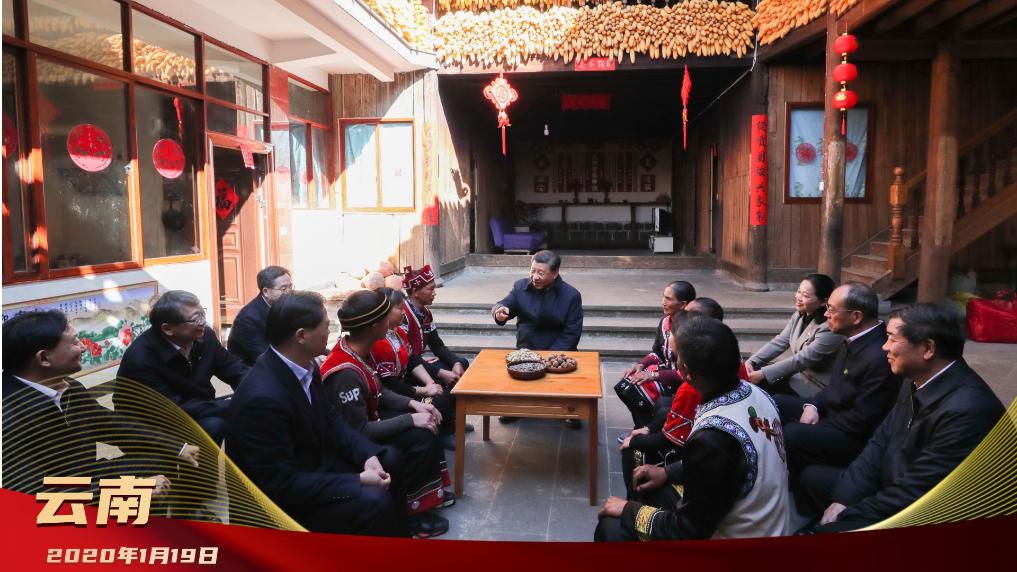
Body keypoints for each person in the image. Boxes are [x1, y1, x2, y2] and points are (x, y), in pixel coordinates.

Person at [800, 304, 1005, 532]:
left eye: (892, 338)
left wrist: (846, 515)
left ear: (928, 348)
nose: (884, 346)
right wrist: (844, 498)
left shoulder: (967, 411)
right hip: (894, 479)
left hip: (932, 514)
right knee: (813, 478)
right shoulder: (916, 378)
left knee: (831, 529)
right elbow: (880, 442)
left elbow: (917, 492)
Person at [226, 291, 405, 536]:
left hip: (313, 464)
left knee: (389, 459)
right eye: (325, 326)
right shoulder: (262, 398)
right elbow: (281, 484)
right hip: (281, 501)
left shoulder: (304, 365)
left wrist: (367, 455)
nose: (330, 332)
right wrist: (358, 480)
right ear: (302, 336)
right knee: (374, 500)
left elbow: (331, 420)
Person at [596, 316, 790, 541]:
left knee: (611, 526)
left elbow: (688, 530)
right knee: (647, 483)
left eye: (676, 357)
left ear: (686, 371)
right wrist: (667, 472)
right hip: (761, 522)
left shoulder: (713, 438)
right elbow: (721, 468)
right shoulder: (757, 394)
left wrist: (629, 510)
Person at [3, 310, 189, 498]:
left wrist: (178, 447)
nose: (83, 347)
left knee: (159, 460)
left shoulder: (69, 387)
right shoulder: (8, 414)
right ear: (44, 358)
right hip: (56, 497)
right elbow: (32, 490)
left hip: (88, 474)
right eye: (74, 342)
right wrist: (130, 488)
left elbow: (112, 425)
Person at [321, 290, 452, 538]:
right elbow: (359, 431)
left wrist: (414, 405)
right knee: (420, 437)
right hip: (352, 444)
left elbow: (379, 391)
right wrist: (410, 418)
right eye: (385, 317)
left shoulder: (358, 350)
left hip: (371, 420)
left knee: (428, 419)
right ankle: (411, 513)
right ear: (374, 326)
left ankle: (426, 498)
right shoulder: (345, 373)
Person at [617, 299, 748, 500]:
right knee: (662, 408)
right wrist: (649, 429)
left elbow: (674, 443)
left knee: (632, 452)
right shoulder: (746, 382)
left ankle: (634, 503)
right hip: (744, 478)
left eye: (678, 358)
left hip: (725, 500)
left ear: (685, 369)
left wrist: (635, 441)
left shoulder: (690, 391)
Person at [773, 283, 902, 483]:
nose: (826, 314)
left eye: (832, 309)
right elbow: (833, 388)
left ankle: (799, 482)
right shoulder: (853, 338)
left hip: (853, 435)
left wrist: (817, 424)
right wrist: (813, 406)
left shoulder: (879, 356)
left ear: (856, 317)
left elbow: (861, 420)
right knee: (776, 402)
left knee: (793, 433)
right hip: (833, 413)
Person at [116, 290, 249, 444]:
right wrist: (230, 405)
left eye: (202, 314)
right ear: (168, 329)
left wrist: (257, 387)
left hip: (196, 406)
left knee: (250, 409)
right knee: (216, 424)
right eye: (196, 319)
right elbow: (174, 410)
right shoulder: (141, 359)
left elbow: (234, 368)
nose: (203, 322)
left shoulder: (204, 336)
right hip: (154, 428)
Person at [491, 250, 584, 428]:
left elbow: (572, 333)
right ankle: (516, 407)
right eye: (532, 271)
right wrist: (500, 311)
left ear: (555, 273)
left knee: (566, 380)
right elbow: (504, 303)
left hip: (557, 353)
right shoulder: (520, 287)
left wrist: (549, 358)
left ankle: (570, 409)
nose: (535, 277)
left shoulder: (571, 295)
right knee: (514, 375)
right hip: (527, 350)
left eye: (541, 273)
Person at [372, 287, 459, 448]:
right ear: (384, 312)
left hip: (405, 385)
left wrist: (430, 383)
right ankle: (443, 434)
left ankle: (449, 424)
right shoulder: (380, 344)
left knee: (441, 387)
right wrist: (424, 390)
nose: (403, 312)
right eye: (399, 308)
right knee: (438, 400)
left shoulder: (398, 332)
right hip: (394, 396)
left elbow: (412, 359)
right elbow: (390, 384)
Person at [614, 281, 696, 429]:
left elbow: (687, 373)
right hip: (665, 371)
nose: (663, 302)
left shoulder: (691, 329)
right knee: (624, 383)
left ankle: (648, 429)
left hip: (680, 379)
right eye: (663, 297)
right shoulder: (665, 322)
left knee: (634, 389)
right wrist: (641, 365)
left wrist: (653, 375)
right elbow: (658, 353)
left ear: (683, 304)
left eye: (668, 299)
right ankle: (643, 426)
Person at [746, 273, 843, 397]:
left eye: (805, 296)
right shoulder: (799, 314)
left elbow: (802, 360)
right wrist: (752, 362)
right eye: (798, 291)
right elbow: (780, 341)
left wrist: (762, 374)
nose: (799, 297)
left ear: (824, 301)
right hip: (796, 376)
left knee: (764, 391)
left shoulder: (829, 328)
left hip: (815, 386)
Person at [402, 265, 469, 386]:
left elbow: (437, 346)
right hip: (409, 368)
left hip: (420, 363)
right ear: (416, 292)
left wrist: (456, 363)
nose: (434, 293)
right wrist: (439, 372)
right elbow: (409, 357)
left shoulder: (426, 313)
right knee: (442, 380)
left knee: (462, 363)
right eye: (430, 289)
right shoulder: (403, 316)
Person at [227, 266, 293, 366]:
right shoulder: (248, 318)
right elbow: (264, 356)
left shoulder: (285, 304)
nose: (289, 292)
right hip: (252, 368)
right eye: (283, 289)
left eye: (290, 287)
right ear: (266, 292)